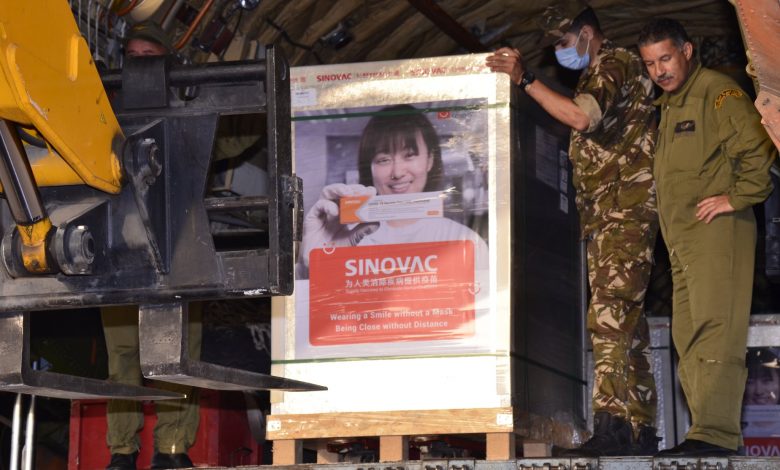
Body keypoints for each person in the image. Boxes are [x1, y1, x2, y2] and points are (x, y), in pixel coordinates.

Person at [485, 2, 659, 457]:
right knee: (627, 324)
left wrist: (525, 79)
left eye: (564, 41)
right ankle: (638, 430)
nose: (560, 51)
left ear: (586, 33)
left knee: (608, 317)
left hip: (625, 212)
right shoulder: (597, 72)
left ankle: (612, 425)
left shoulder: (615, 63)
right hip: (611, 214)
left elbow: (582, 117)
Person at [637, 18, 777, 457]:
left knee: (716, 331)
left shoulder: (717, 93)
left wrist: (736, 198)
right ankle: (704, 431)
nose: (659, 70)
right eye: (650, 64)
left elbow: (759, 148)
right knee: (688, 335)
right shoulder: (669, 106)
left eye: (665, 58)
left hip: (718, 234)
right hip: (682, 244)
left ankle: (715, 435)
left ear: (687, 51)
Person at [103, 20, 200, 470]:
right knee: (123, 354)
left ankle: (172, 450)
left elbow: (234, 134)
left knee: (175, 352)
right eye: (133, 57)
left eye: (149, 56)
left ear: (167, 62)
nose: (139, 65)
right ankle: (122, 452)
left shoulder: (186, 104)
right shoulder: (104, 111)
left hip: (178, 247)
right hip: (120, 249)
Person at [297, 103, 489, 277]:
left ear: (430, 160)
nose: (397, 173)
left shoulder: (464, 241)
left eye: (409, 155)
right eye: (383, 160)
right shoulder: (343, 239)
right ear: (369, 168)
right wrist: (313, 264)